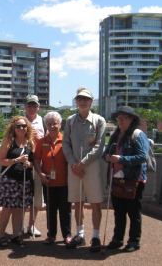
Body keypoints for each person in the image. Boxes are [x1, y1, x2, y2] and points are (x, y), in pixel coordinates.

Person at [62, 87, 106, 252]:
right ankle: (80, 234)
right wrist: (74, 163)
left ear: (91, 101)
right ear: (76, 101)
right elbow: (65, 143)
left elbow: (100, 146)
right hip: (74, 167)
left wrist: (82, 164)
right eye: (79, 98)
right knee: (78, 202)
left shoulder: (99, 121)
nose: (82, 101)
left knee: (95, 202)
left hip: (91, 167)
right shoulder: (70, 121)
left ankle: (95, 236)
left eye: (85, 99)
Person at [103, 106, 149, 252]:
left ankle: (134, 241)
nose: (121, 121)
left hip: (133, 180)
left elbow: (143, 157)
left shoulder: (138, 135)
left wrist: (121, 159)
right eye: (119, 118)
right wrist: (108, 157)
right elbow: (105, 153)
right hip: (116, 179)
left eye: (124, 118)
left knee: (133, 212)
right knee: (119, 211)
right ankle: (118, 239)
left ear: (132, 119)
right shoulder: (115, 135)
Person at [0, 116, 35, 247]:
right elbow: (1, 160)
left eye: (24, 126)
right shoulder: (8, 141)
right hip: (10, 180)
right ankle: (1, 235)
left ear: (27, 127)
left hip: (24, 180)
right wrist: (17, 160)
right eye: (18, 126)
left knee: (19, 208)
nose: (21, 128)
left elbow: (33, 162)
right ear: (13, 127)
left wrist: (28, 164)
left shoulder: (30, 143)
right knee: (7, 208)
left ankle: (15, 234)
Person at [34, 112, 72, 245]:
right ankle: (51, 235)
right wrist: (41, 174)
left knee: (65, 210)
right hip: (48, 182)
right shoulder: (41, 142)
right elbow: (36, 160)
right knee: (50, 210)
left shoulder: (66, 140)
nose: (51, 126)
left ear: (60, 124)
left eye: (54, 123)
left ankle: (67, 235)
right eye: (48, 124)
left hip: (64, 182)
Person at [24, 94, 45, 237]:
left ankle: (31, 225)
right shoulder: (20, 121)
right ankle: (18, 226)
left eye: (34, 105)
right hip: (23, 162)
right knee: (21, 195)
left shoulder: (43, 121)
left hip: (38, 163)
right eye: (29, 105)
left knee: (37, 195)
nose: (32, 108)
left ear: (38, 107)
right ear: (25, 106)